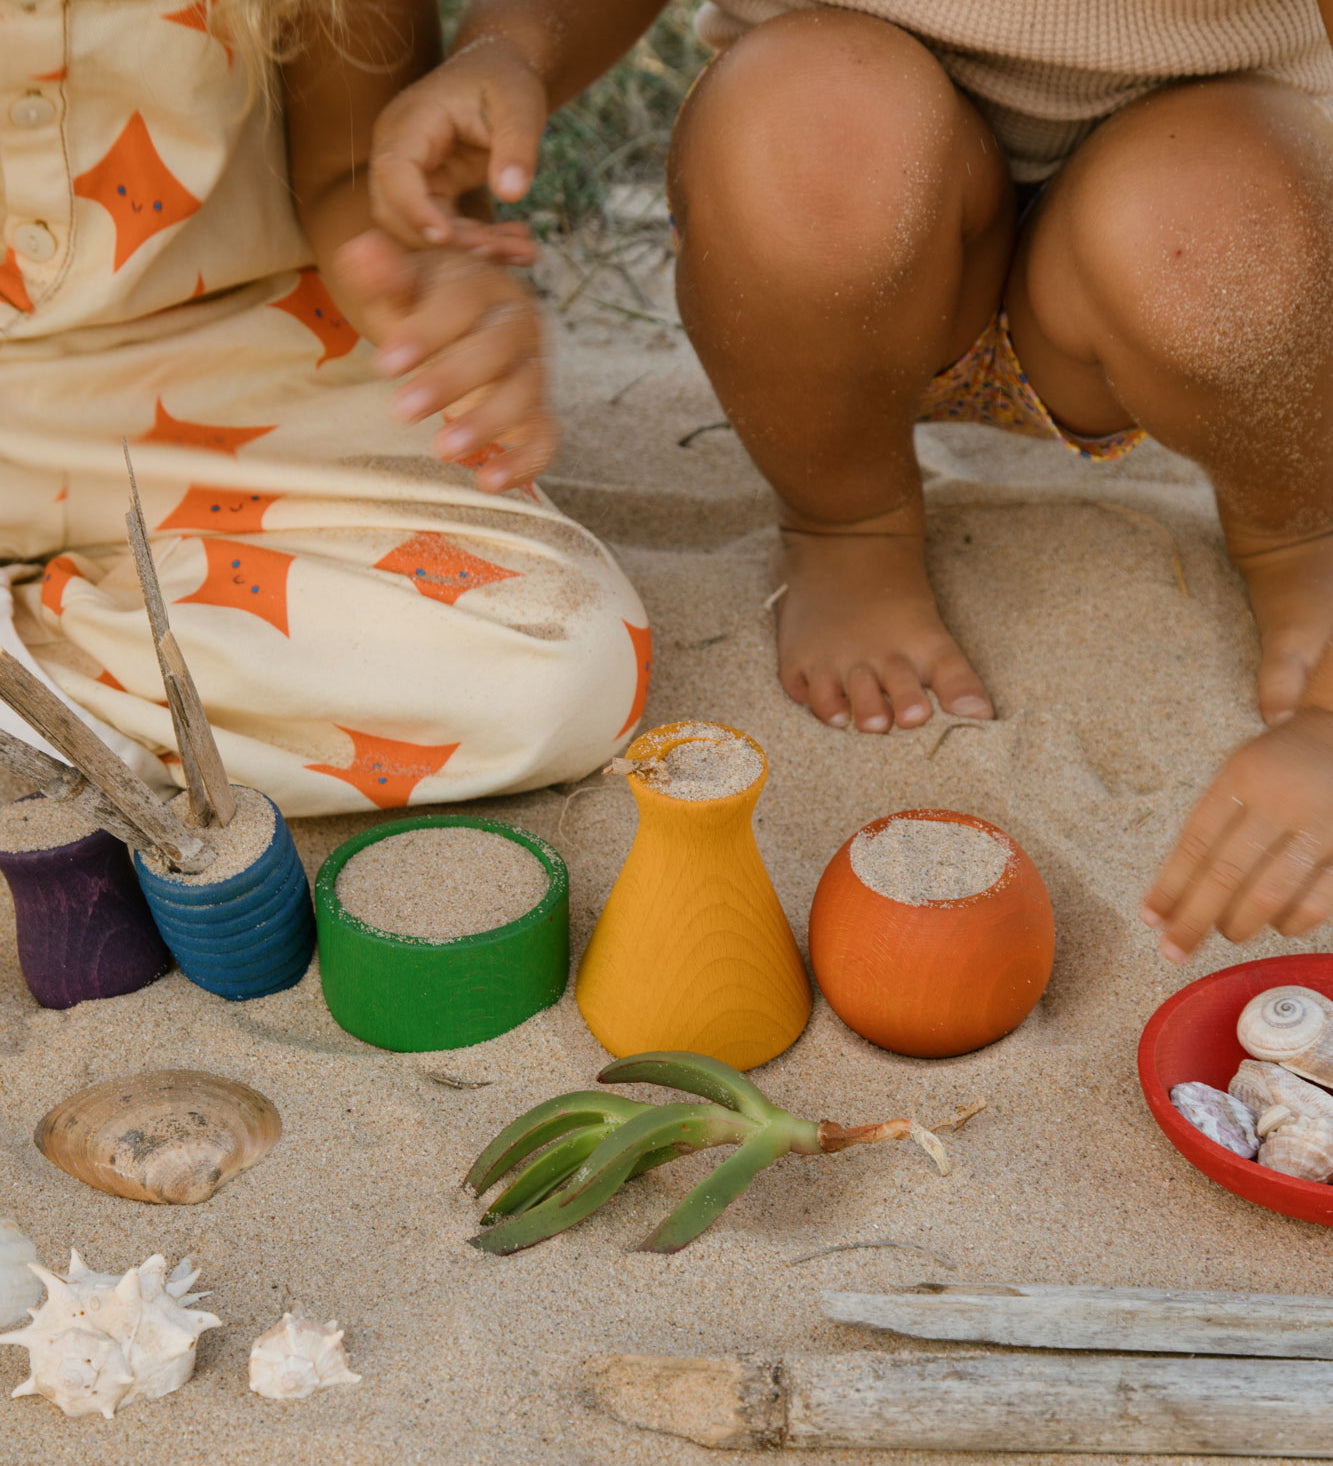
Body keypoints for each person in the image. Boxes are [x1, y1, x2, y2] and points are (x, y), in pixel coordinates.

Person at [365, 0, 1333, 963]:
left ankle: (1302, 522)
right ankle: (847, 518)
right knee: (807, 130)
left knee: (1215, 232)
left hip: (1210, 205)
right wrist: (511, 49)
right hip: (837, 236)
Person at [0, 0, 650, 819]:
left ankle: (35, 696)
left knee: (566, 661)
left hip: (243, 374)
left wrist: (427, 281)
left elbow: (352, 167)